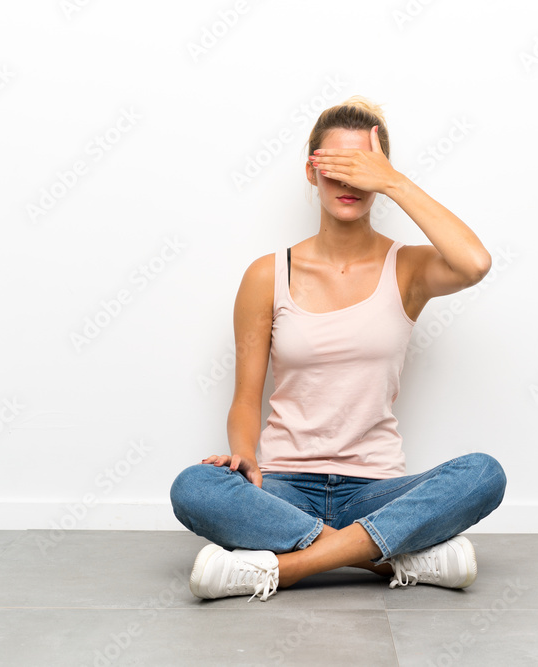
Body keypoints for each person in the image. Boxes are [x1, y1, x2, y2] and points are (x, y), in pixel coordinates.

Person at [170, 96, 506, 602]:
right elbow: (245, 400)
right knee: (194, 488)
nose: (349, 183)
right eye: (335, 168)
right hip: (285, 489)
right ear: (311, 171)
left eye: (363, 170)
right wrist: (243, 458)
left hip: (376, 490)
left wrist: (392, 180)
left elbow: (475, 263)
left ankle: (281, 569)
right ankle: (391, 558)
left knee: (484, 474)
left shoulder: (407, 269)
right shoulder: (268, 275)